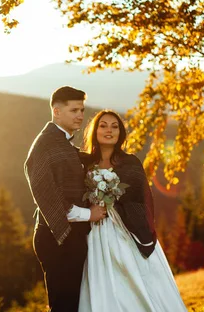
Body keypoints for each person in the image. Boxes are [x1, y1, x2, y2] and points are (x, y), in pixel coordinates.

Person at [78, 110, 187, 312]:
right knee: (102, 279)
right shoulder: (84, 163)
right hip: (94, 234)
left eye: (114, 126)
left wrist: (116, 201)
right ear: (94, 130)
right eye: (103, 125)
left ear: (121, 133)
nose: (109, 130)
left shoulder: (130, 163)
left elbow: (143, 199)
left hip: (126, 231)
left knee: (130, 277)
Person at [24, 86, 107, 312]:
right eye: (73, 110)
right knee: (64, 306)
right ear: (56, 111)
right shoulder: (45, 144)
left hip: (70, 237)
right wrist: (89, 214)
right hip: (56, 238)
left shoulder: (63, 143)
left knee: (73, 303)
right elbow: (46, 193)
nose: (80, 115)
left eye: (81, 109)